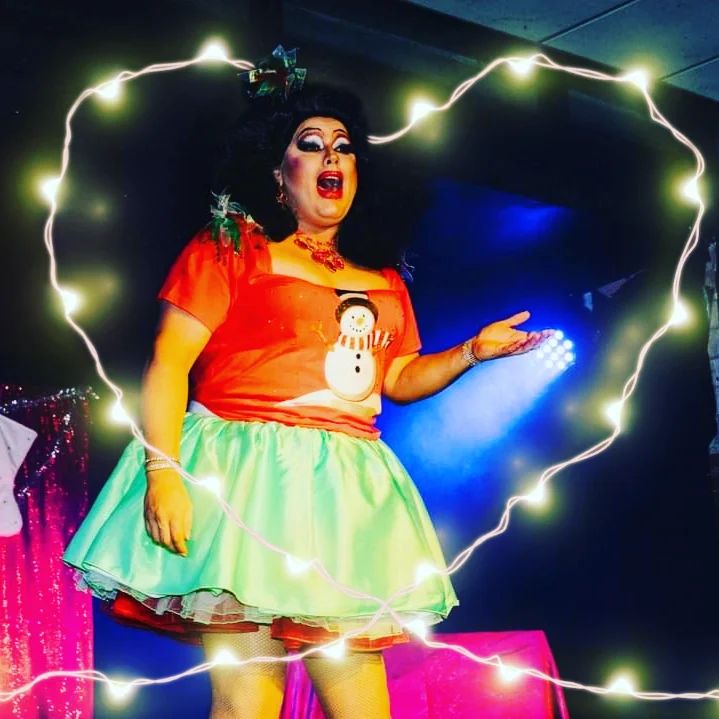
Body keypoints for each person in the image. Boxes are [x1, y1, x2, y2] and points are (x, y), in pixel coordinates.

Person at [64, 51, 548, 719]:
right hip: (245, 476)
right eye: (311, 144)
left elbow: (397, 378)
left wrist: (470, 351)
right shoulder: (231, 246)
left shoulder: (383, 278)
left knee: (364, 708)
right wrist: (164, 472)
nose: (331, 157)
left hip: (342, 489)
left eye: (343, 147)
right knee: (245, 704)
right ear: (277, 172)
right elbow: (169, 361)